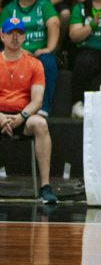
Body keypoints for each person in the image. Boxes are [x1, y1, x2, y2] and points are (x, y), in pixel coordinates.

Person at [0, 18, 57, 203]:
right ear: (2, 36)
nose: (15, 37)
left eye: (19, 33)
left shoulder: (34, 64)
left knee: (41, 124)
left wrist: (21, 116)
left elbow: (38, 100)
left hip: (23, 116)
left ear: (24, 37)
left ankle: (45, 187)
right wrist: (1, 117)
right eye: (10, 33)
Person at [0, 0, 60, 116]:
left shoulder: (44, 5)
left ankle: (43, 108)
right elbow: (2, 32)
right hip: (15, 52)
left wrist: (49, 49)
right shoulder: (10, 9)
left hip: (39, 52)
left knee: (48, 62)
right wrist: (20, 50)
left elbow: (54, 23)